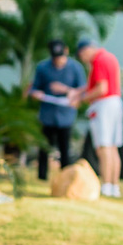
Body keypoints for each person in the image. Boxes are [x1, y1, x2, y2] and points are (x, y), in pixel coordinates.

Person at [74, 38, 123, 198]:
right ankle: (114, 186)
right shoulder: (110, 57)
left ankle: (106, 186)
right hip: (115, 102)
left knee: (103, 147)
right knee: (113, 147)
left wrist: (82, 99)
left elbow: (102, 88)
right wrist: (79, 92)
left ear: (85, 50)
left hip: (104, 105)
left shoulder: (98, 60)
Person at [29, 40, 85, 181]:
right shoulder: (42, 67)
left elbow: (83, 91)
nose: (58, 60)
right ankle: (42, 177)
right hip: (47, 115)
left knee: (65, 149)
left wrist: (65, 90)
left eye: (60, 56)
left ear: (66, 51)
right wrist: (36, 94)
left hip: (66, 115)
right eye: (55, 57)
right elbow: (34, 88)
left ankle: (65, 177)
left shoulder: (76, 68)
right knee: (44, 148)